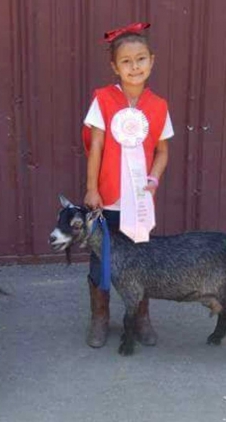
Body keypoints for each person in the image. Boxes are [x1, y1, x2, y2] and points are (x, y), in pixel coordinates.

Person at [82, 23, 174, 348]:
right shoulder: (104, 100)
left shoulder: (159, 105)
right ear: (114, 67)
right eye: (126, 61)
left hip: (139, 201)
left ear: (152, 60)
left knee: (141, 260)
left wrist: (153, 179)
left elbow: (162, 150)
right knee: (101, 258)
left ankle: (140, 316)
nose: (134, 67)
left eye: (140, 59)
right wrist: (92, 188)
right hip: (106, 200)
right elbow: (95, 146)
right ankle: (100, 316)